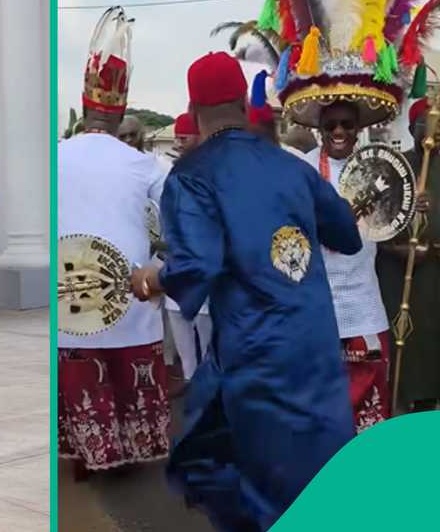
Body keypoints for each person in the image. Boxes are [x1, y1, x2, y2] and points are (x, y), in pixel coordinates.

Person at [130, 52, 359, 531]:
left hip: (256, 356)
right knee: (320, 483)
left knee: (255, 488)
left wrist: (152, 279)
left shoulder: (191, 176)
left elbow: (196, 264)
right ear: (241, 101)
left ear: (193, 112)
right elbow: (348, 234)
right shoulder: (293, 168)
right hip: (315, 350)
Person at [59, 7, 170, 481]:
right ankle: (125, 455)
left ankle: (87, 454)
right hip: (129, 294)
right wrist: (161, 268)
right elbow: (179, 229)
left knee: (82, 372)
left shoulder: (55, 156)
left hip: (70, 294)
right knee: (124, 372)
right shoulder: (147, 166)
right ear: (121, 110)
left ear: (84, 108)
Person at [301, 101, 395, 431]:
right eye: (330, 126)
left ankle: (364, 474)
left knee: (370, 407)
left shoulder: (380, 169)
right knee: (320, 405)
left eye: (347, 124)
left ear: (359, 129)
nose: (339, 132)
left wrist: (416, 210)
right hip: (316, 308)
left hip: (364, 305)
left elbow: (394, 228)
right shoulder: (303, 170)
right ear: (320, 129)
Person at [377, 98, 439, 412]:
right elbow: (377, 223)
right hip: (398, 275)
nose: (431, 132)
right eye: (424, 125)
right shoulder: (396, 166)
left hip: (434, 279)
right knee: (402, 349)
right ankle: (396, 409)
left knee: (431, 348)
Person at [161, 112, 211, 388]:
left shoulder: (211, 168)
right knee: (179, 322)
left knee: (208, 338)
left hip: (205, 269)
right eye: (177, 137)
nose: (179, 142)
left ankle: (209, 388)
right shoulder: (171, 170)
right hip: (177, 262)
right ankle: (192, 382)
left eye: (184, 136)